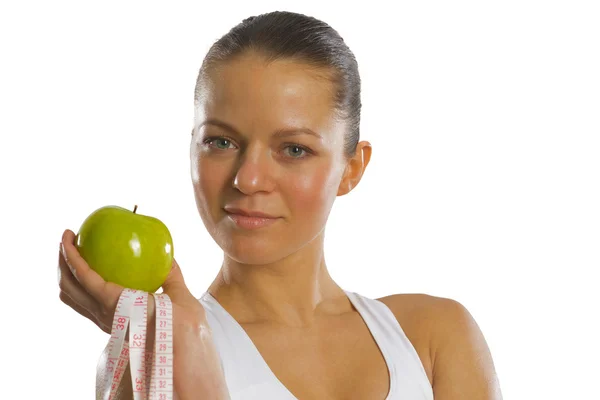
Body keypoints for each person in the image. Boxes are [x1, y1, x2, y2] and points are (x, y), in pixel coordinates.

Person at [58, 11, 503, 400]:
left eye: (293, 149)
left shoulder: (434, 337)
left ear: (352, 168)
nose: (246, 179)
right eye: (221, 141)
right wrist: (182, 355)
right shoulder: (149, 355)